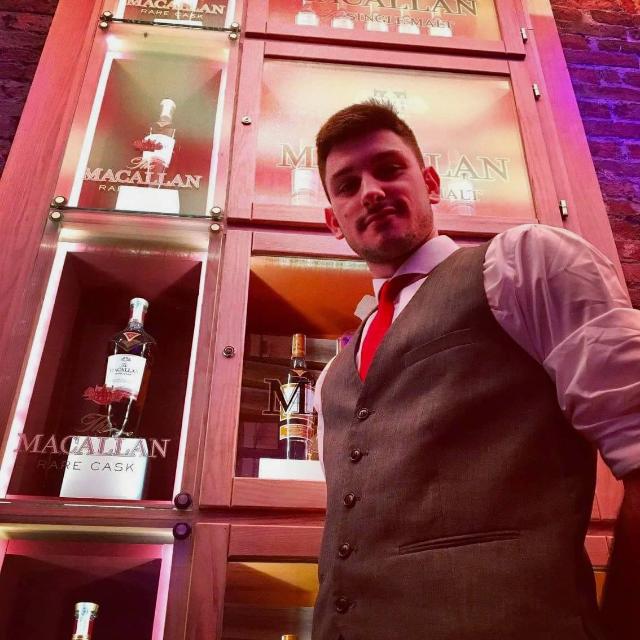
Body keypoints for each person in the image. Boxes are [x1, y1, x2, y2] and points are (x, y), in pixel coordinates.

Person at [310, 100, 640, 640]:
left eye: (389, 169)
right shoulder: (331, 379)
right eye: (347, 185)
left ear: (431, 183)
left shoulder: (524, 264)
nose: (370, 191)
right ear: (333, 221)